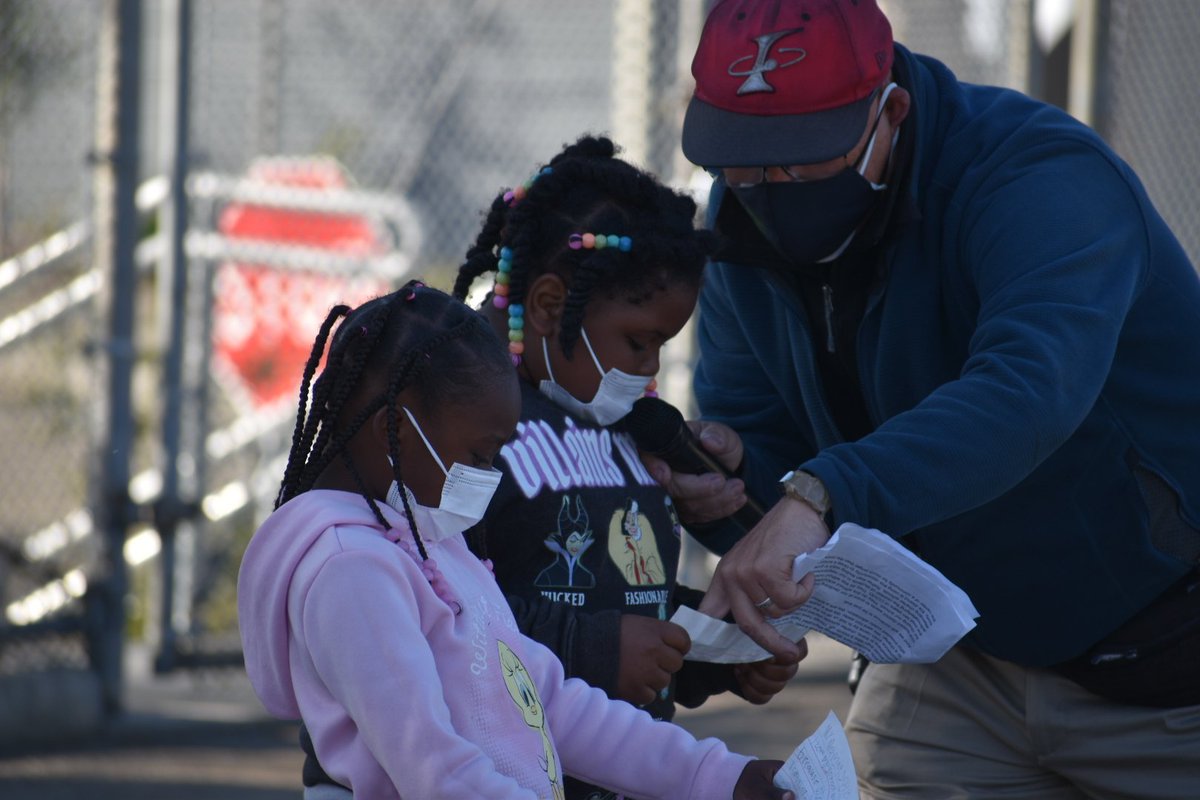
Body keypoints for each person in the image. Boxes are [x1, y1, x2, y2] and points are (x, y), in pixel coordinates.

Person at [647, 0, 1200, 797]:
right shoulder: (738, 221)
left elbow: (1029, 390)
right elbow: (768, 442)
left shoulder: (1038, 177)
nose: (764, 187)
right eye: (741, 158)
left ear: (889, 113)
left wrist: (824, 492)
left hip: (1167, 661)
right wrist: (735, 484)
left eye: (797, 159)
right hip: (957, 656)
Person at [236, 281, 794, 799]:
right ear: (396, 428)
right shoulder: (352, 572)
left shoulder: (436, 546)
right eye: (479, 456)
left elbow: (549, 703)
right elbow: (436, 773)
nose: (489, 474)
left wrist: (722, 777)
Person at [451, 136, 802, 800]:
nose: (650, 369)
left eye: (663, 347)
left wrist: (712, 654)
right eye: (639, 342)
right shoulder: (458, 415)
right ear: (553, 306)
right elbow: (430, 606)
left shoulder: (610, 423)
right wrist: (599, 650)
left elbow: (618, 595)